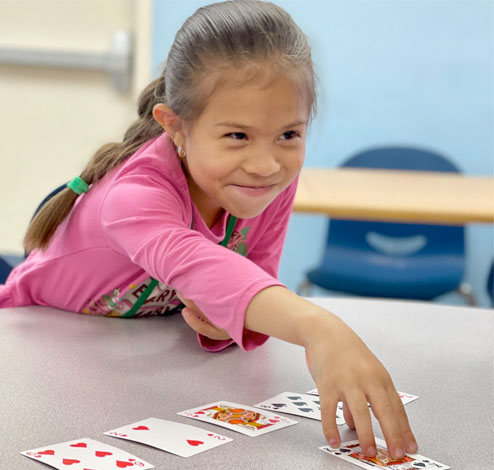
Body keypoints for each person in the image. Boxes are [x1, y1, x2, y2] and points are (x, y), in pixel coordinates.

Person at [0, 0, 417, 459]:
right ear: (176, 128)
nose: (266, 165)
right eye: (237, 136)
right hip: (35, 339)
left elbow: (250, 277)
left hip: (133, 355)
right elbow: (196, 262)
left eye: (289, 135)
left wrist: (222, 325)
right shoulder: (132, 198)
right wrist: (323, 330)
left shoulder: (271, 179)